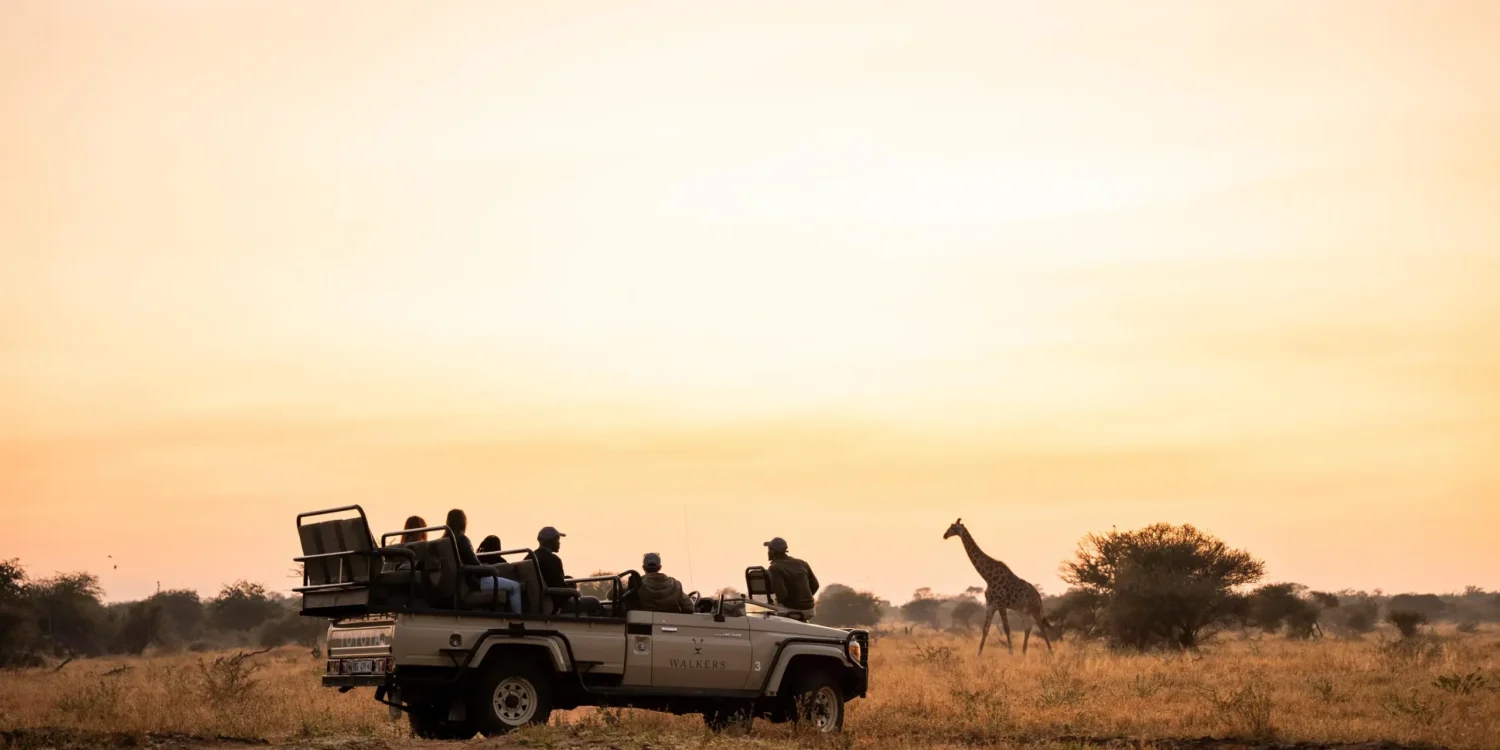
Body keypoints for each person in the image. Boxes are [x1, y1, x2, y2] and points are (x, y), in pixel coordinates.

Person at [443, 509, 522, 615]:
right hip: (474, 581)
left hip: (462, 582)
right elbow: (474, 564)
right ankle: (518, 620)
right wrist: (489, 570)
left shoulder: (445, 540)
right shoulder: (462, 540)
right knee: (515, 586)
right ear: (464, 523)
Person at [764, 536, 819, 621]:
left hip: (793, 610)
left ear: (773, 552)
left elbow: (782, 595)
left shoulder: (774, 567)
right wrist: (803, 601)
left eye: (769, 550)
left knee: (766, 614)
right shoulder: (802, 563)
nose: (768, 552)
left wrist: (794, 603)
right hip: (810, 609)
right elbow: (815, 585)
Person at [524, 526, 578, 611]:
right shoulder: (553, 560)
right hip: (553, 604)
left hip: (533, 604)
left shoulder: (528, 557)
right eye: (558, 540)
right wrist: (572, 586)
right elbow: (559, 590)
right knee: (593, 602)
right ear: (553, 541)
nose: (559, 543)